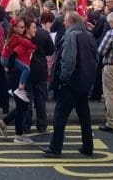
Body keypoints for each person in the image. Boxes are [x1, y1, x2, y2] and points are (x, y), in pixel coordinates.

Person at [40, 13, 97, 158]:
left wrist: (63, 78)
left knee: (60, 115)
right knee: (84, 116)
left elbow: (68, 61)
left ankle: (55, 148)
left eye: (65, 22)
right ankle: (88, 146)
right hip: (84, 81)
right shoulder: (88, 35)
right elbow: (96, 58)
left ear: (71, 22)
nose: (64, 24)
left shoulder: (72, 36)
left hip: (71, 82)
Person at [0, 17, 36, 145]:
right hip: (16, 78)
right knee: (22, 106)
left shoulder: (20, 40)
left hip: (15, 77)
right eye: (33, 27)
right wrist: (10, 69)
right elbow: (12, 56)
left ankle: (5, 122)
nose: (36, 30)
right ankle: (18, 136)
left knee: (22, 106)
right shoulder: (21, 42)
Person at [0, 16, 36, 103]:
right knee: (26, 69)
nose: (23, 29)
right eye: (21, 27)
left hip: (4, 58)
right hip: (6, 59)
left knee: (24, 69)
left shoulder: (12, 36)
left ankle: (13, 89)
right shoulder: (17, 37)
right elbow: (22, 45)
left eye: (24, 27)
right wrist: (34, 46)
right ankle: (20, 89)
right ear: (15, 28)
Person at [29, 14, 55, 133]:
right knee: (40, 98)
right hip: (40, 67)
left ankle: (26, 124)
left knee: (26, 98)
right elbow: (51, 50)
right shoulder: (44, 33)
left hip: (26, 68)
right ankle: (42, 125)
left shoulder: (22, 33)